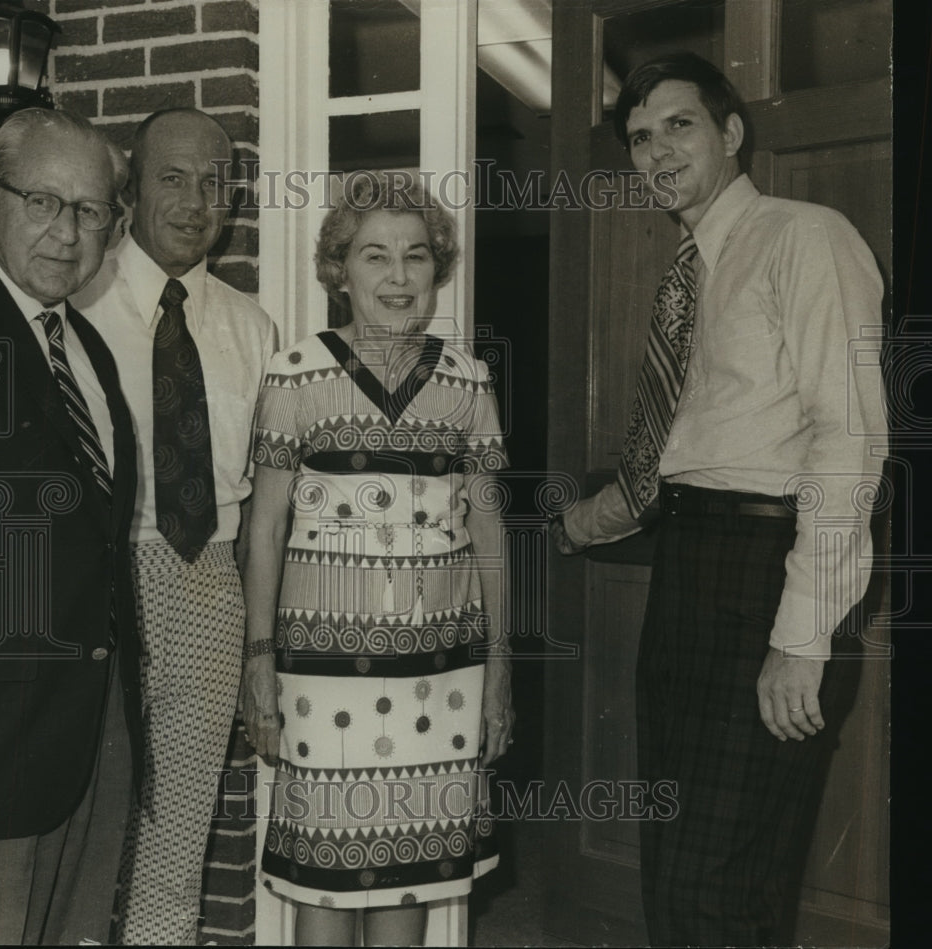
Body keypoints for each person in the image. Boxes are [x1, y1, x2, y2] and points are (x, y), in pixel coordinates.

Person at [550, 53, 886, 946]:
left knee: (724, 875)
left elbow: (849, 436)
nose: (656, 150)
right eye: (638, 137)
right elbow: (675, 459)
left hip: (771, 575)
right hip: (690, 569)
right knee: (679, 862)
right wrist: (575, 526)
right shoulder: (688, 275)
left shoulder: (806, 237)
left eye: (679, 124)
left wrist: (801, 636)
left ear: (732, 133)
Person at [240, 171, 513, 946]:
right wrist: (259, 660)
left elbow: (492, 532)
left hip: (444, 670)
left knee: (412, 872)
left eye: (416, 256)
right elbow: (264, 527)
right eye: (374, 256)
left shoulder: (468, 380)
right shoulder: (297, 374)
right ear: (339, 270)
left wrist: (501, 666)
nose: (398, 277)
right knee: (323, 882)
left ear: (438, 268)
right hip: (322, 669)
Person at [0, 108, 142, 944]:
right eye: (43, 202)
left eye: (90, 211)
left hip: (89, 740)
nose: (67, 232)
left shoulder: (85, 345)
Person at [73, 108, 278, 944]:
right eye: (173, 178)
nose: (196, 202)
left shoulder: (252, 328)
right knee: (79, 832)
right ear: (131, 184)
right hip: (94, 584)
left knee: (174, 840)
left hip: (206, 583)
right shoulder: (74, 305)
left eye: (213, 183)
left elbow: (269, 499)